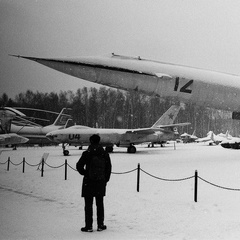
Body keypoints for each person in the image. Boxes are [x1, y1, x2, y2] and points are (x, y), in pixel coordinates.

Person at [76, 134, 112, 232]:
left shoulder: (87, 153)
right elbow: (108, 168)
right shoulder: (104, 153)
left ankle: (89, 226)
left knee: (88, 205)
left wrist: (86, 174)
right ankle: (100, 225)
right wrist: (105, 179)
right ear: (99, 141)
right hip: (100, 182)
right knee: (100, 204)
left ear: (91, 141)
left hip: (89, 182)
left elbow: (79, 166)